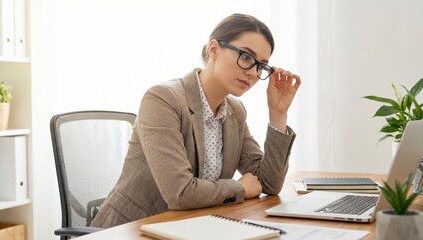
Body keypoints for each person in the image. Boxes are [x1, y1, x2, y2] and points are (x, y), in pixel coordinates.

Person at [91, 13, 301, 228]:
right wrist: (239, 188)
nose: (252, 73)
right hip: (132, 229)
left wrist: (278, 114)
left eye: (261, 66)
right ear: (214, 49)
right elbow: (179, 192)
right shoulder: (163, 99)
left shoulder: (235, 112)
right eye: (246, 56)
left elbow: (267, 183)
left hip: (191, 228)